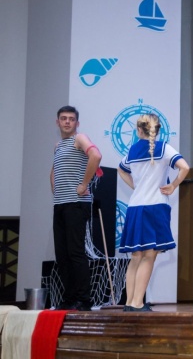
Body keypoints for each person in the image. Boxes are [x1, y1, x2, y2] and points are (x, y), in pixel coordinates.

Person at [118, 113, 190, 312]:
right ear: (157, 130)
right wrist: (173, 185)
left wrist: (137, 187)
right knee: (149, 256)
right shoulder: (164, 148)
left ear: (138, 130)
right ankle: (138, 302)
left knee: (136, 256)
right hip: (155, 206)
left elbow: (121, 169)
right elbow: (184, 167)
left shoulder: (132, 150)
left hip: (135, 207)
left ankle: (129, 302)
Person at [51, 105, 102, 311]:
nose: (67, 122)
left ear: (77, 123)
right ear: (57, 122)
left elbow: (95, 156)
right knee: (62, 255)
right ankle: (69, 298)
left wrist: (84, 184)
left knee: (75, 252)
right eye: (63, 118)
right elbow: (55, 170)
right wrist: (55, 189)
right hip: (60, 204)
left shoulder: (79, 139)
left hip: (76, 203)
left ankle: (84, 300)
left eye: (71, 119)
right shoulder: (58, 145)